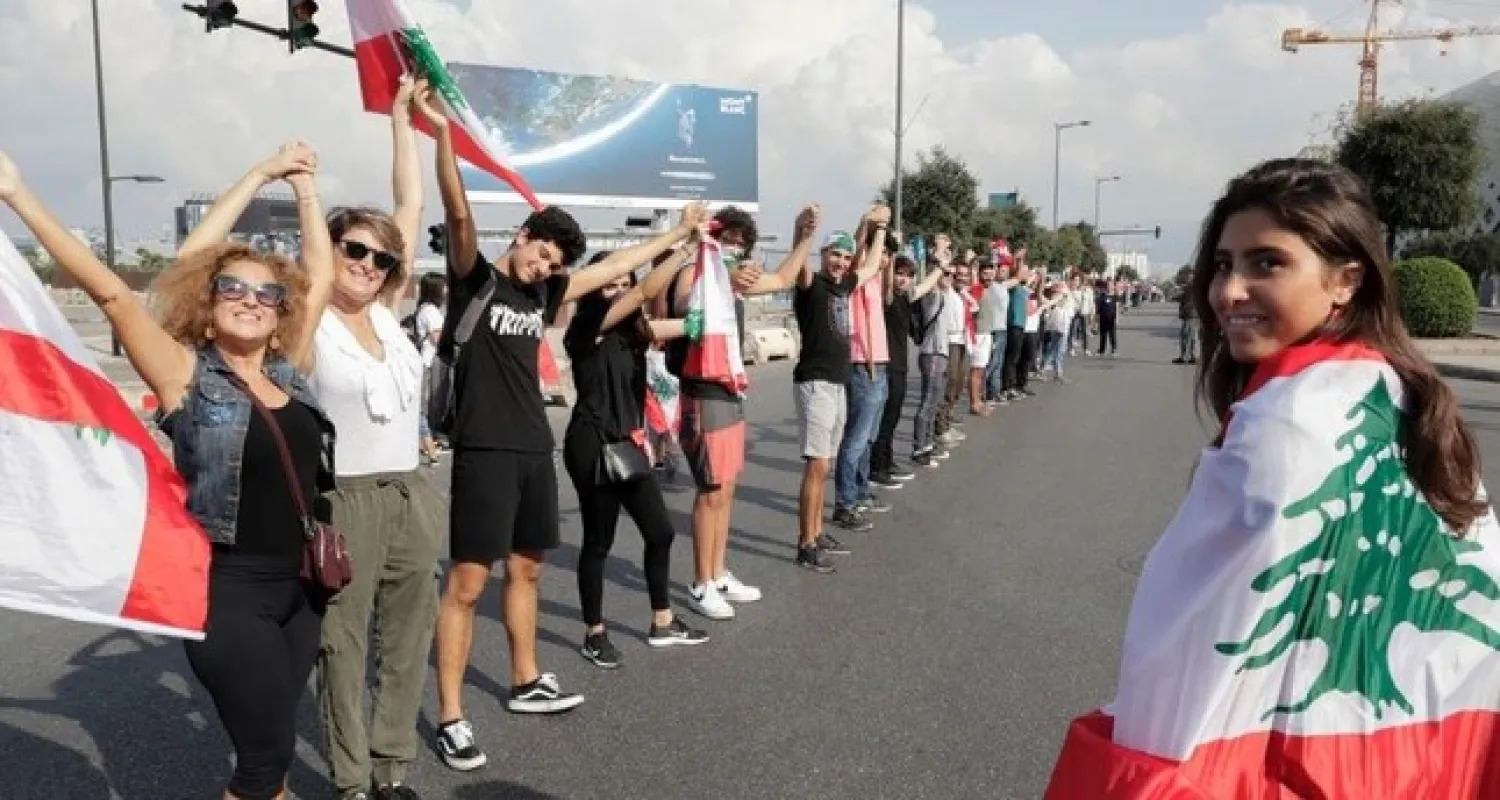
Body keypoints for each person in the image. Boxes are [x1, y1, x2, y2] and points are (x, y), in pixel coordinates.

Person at [1047, 157, 1498, 796]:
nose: (1229, 290)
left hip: (1289, 768)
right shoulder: (1411, 396)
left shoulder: (1285, 421)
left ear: (1347, 280)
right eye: (1225, 264)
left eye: (1268, 263)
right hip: (1412, 759)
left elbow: (1189, 649)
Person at [0, 142, 335, 800]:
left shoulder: (287, 370)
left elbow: (319, 277)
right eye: (231, 288)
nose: (249, 299)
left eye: (265, 293)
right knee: (263, 765)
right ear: (208, 305)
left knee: (273, 759)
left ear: (280, 311)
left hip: (302, 591)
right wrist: (15, 192)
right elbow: (111, 294)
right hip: (226, 593)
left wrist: (301, 186)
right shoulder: (187, 376)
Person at [427, 101, 687, 770]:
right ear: (521, 236)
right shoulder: (475, 279)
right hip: (482, 451)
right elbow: (458, 216)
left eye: (556, 261)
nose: (547, 265)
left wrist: (672, 237)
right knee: (465, 584)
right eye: (543, 250)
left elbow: (610, 269)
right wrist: (444, 140)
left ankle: (524, 680)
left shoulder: (542, 297)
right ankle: (451, 716)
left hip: (532, 450)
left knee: (531, 569)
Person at [228, 80, 438, 800]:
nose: (368, 265)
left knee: (410, 639)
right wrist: (294, 186)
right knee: (344, 645)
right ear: (332, 249)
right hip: (344, 497)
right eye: (355, 250)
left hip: (412, 489)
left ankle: (390, 768)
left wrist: (402, 123)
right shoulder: (308, 323)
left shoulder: (386, 310)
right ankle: (350, 780)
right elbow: (316, 266)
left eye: (381, 259)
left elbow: (410, 207)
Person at [560, 206, 711, 670]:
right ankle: (594, 631)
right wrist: (682, 244)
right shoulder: (585, 329)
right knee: (599, 541)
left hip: (627, 444)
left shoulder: (632, 333)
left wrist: (702, 320)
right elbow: (646, 288)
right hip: (591, 443)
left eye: (622, 285)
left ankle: (662, 620)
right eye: (611, 283)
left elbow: (667, 322)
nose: (620, 290)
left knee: (660, 533)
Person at [654, 204, 819, 619]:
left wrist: (803, 238)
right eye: (727, 242)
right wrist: (722, 275)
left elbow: (782, 278)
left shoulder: (733, 278)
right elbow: (684, 303)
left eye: (741, 246)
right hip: (701, 390)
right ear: (711, 239)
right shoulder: (693, 270)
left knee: (726, 488)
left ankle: (719, 571)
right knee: (710, 490)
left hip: (729, 389)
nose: (734, 251)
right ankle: (700, 582)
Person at [793, 214, 886, 565]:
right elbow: (797, 262)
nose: (841, 263)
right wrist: (801, 230)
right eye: (836, 255)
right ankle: (805, 545)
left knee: (825, 465)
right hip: (815, 382)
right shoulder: (811, 284)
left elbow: (874, 264)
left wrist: (880, 232)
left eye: (846, 258)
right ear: (824, 253)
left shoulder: (843, 286)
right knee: (816, 466)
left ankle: (816, 533)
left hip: (838, 382)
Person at [833, 215, 895, 533]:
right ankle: (846, 503)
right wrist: (872, 226)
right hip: (862, 363)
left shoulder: (878, 282)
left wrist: (887, 243)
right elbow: (860, 252)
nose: (883, 258)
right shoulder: (858, 279)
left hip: (879, 364)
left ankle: (859, 491)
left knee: (867, 438)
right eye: (880, 252)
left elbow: (884, 265)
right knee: (856, 439)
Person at [870, 255, 940, 487]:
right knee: (885, 418)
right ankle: (876, 469)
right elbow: (887, 282)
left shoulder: (905, 299)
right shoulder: (886, 298)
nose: (904, 279)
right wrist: (888, 260)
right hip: (885, 366)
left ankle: (886, 462)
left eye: (909, 275)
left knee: (893, 417)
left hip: (899, 366)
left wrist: (939, 266)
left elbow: (925, 286)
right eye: (900, 274)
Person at [911, 262, 956, 468]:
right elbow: (927, 287)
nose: (949, 277)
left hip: (941, 353)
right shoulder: (932, 295)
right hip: (932, 353)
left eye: (951, 274)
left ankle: (927, 444)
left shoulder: (946, 295)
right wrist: (937, 266)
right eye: (945, 273)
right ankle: (919, 448)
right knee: (928, 402)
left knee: (934, 401)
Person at [414, 271, 447, 464]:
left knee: (427, 404)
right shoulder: (430, 312)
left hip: (427, 361)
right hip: (429, 361)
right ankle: (429, 443)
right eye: (443, 287)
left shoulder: (425, 309)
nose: (446, 290)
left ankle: (425, 441)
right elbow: (437, 338)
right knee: (427, 404)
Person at [1173, 273, 1199, 365]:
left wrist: (1177, 291)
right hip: (1194, 314)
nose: (1187, 280)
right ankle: (1192, 356)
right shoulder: (1198, 287)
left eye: (1188, 278)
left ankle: (1185, 357)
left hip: (1189, 314)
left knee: (1185, 336)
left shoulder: (1188, 288)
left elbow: (1176, 297)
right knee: (1192, 336)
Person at [1096, 277, 1119, 356]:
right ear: (1106, 286)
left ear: (1113, 286)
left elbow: (1117, 307)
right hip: (1103, 318)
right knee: (1103, 335)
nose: (1109, 286)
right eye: (1108, 285)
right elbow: (1099, 307)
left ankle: (1113, 349)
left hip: (1111, 318)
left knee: (1112, 334)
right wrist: (1097, 317)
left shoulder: (1115, 296)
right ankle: (1101, 350)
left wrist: (1117, 318)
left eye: (1111, 285)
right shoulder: (1102, 296)